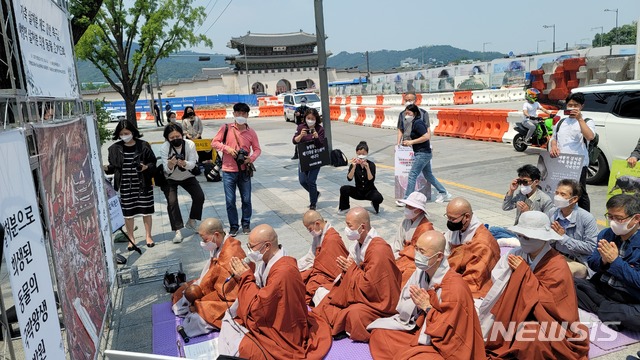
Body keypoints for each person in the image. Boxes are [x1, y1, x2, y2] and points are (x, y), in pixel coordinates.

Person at [478, 211, 589, 359]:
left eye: (528, 237)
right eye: (520, 236)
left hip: (550, 320)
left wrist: (523, 274)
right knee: (492, 323)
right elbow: (498, 279)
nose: (523, 240)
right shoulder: (517, 253)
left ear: (543, 238)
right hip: (520, 309)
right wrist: (516, 274)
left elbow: (553, 304)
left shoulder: (557, 265)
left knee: (530, 337)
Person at [217, 224, 332, 359]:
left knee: (245, 347)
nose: (249, 251)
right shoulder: (269, 261)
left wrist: (246, 277)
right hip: (274, 314)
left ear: (267, 246)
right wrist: (245, 277)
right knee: (231, 321)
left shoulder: (284, 271)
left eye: (252, 247)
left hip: (286, 328)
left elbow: (260, 308)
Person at [368, 231, 486, 360]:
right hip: (422, 330)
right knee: (380, 333)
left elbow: (452, 332)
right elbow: (405, 308)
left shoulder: (454, 287)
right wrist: (416, 305)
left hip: (444, 346)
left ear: (439, 256)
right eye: (416, 249)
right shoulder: (420, 273)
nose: (417, 254)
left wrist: (428, 308)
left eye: (422, 252)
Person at [313, 207, 402, 342]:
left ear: (362, 227)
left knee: (354, 314)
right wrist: (347, 270)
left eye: (349, 225)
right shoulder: (357, 244)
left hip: (380, 302)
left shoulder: (379, 249)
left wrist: (352, 270)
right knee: (327, 298)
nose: (346, 229)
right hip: (362, 292)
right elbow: (354, 269)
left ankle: (343, 327)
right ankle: (339, 324)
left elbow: (374, 286)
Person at [574, 194, 640, 331]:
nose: (613, 222)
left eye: (619, 218)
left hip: (628, 297)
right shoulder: (606, 234)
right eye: (610, 216)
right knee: (566, 282)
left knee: (634, 316)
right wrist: (603, 261)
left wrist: (615, 262)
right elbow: (592, 263)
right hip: (602, 288)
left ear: (636, 219)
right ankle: (607, 312)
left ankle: (603, 310)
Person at [171, 218, 246, 337]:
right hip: (215, 285)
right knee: (182, 293)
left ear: (216, 234)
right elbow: (211, 272)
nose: (203, 242)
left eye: (204, 239)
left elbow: (228, 291)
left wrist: (200, 300)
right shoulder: (219, 242)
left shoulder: (231, 253)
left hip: (230, 297)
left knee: (197, 317)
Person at [104, 120, 157, 249]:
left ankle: (148, 236)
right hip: (125, 185)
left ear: (132, 132)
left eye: (126, 133)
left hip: (143, 183)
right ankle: (131, 238)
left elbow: (153, 163)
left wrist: (146, 167)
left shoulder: (144, 146)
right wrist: (105, 168)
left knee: (146, 211)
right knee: (128, 214)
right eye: (121, 133)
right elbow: (113, 167)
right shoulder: (114, 148)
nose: (124, 135)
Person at [211, 103, 261, 237]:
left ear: (247, 115)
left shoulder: (251, 132)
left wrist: (251, 158)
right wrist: (228, 149)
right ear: (233, 114)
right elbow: (214, 142)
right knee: (230, 200)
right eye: (238, 113)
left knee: (246, 199)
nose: (241, 116)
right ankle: (233, 226)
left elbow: (257, 149)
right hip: (228, 171)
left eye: (244, 114)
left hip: (244, 171)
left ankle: (246, 224)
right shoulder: (226, 128)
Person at [444, 197, 500, 298]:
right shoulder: (457, 228)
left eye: (452, 219)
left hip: (472, 278)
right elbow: (445, 248)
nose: (450, 222)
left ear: (467, 217)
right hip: (454, 273)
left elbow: (475, 277)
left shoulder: (482, 242)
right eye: (448, 218)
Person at [549, 92, 596, 212]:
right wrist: (553, 145)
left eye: (576, 105)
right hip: (561, 162)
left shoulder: (587, 121)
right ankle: (564, 212)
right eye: (570, 105)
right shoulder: (561, 122)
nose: (572, 108)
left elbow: (590, 136)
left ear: (582, 106)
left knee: (580, 192)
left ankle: (585, 218)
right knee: (563, 190)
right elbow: (554, 137)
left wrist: (579, 119)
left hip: (578, 163)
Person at [159, 124, 205, 243]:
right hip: (170, 178)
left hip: (187, 175)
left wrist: (184, 163)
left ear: (182, 134)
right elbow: (166, 169)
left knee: (199, 196)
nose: (175, 139)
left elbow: (193, 163)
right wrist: (171, 164)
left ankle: (192, 220)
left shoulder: (190, 144)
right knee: (172, 202)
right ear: (167, 138)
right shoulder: (165, 147)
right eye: (172, 137)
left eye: (178, 136)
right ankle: (177, 231)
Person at [398, 104, 451, 205]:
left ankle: (407, 199)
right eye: (406, 113)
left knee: (412, 175)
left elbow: (426, 137)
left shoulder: (418, 123)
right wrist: (408, 143)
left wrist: (411, 142)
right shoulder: (413, 123)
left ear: (415, 113)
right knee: (428, 175)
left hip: (422, 153)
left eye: (409, 113)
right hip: (422, 153)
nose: (406, 115)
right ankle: (444, 193)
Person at [549, 179, 599, 279]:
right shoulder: (553, 212)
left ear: (574, 199)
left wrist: (563, 238)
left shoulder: (586, 218)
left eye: (563, 194)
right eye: (557, 193)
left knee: (561, 272)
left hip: (578, 261)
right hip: (557, 255)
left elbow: (591, 248)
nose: (558, 197)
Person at [490, 164, 554, 239]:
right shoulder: (521, 194)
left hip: (530, 236)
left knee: (496, 235)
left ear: (536, 182)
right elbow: (506, 207)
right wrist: (511, 190)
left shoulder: (545, 200)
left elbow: (546, 225)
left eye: (525, 182)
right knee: (492, 230)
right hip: (517, 231)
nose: (522, 185)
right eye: (520, 182)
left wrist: (529, 213)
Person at [298, 210, 349, 305]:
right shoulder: (318, 235)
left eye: (309, 229)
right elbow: (312, 256)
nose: (310, 232)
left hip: (331, 275)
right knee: (299, 276)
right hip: (320, 270)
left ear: (317, 223)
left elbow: (334, 267)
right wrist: (297, 266)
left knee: (311, 284)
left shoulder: (332, 238)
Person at [391, 191, 434, 287]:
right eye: (407, 205)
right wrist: (397, 254)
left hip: (414, 259)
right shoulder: (406, 221)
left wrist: (402, 254)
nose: (407, 208)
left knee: (407, 273)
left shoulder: (426, 228)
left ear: (419, 210)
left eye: (410, 207)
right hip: (401, 254)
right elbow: (398, 241)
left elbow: (423, 253)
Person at [338, 141, 384, 214]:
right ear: (356, 153)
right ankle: (344, 207)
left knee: (378, 198)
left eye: (363, 154)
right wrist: (353, 167)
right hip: (358, 191)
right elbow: (349, 178)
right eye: (359, 154)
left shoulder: (371, 164)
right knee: (344, 189)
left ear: (367, 153)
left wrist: (367, 168)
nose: (361, 156)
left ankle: (374, 204)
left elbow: (371, 179)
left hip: (369, 191)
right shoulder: (354, 164)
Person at [293, 108, 325, 210]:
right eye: (308, 118)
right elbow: (294, 141)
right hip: (304, 158)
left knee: (311, 180)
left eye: (312, 118)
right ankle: (315, 193)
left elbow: (321, 145)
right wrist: (301, 135)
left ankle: (313, 203)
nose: (310, 120)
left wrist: (316, 137)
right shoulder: (301, 127)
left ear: (316, 119)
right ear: (305, 118)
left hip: (315, 158)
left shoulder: (320, 129)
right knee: (303, 180)